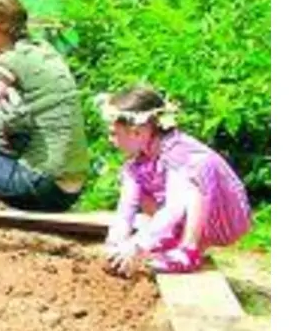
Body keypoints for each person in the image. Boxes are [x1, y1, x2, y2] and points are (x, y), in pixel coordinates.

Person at [100, 85, 253, 275]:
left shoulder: (179, 152)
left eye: (114, 133)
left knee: (194, 176)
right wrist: (115, 244)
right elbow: (125, 210)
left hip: (221, 213)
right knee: (136, 181)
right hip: (182, 211)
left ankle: (189, 249)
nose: (110, 139)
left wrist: (137, 245)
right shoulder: (136, 164)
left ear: (137, 132)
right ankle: (171, 239)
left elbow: (174, 207)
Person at [0, 0, 90, 212]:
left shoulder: (12, 59)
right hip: (70, 188)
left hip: (42, 184)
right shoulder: (42, 49)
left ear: (4, 24)